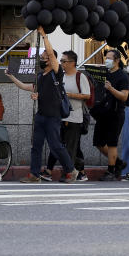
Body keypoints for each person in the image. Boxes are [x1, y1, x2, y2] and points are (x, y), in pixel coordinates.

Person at [21, 28, 78, 183]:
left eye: (44, 56)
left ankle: (71, 171)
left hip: (53, 116)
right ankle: (34, 174)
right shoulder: (40, 76)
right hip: (41, 115)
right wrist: (35, 94)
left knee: (56, 146)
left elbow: (51, 53)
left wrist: (44, 36)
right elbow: (34, 90)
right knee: (36, 146)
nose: (42, 57)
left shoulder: (56, 72)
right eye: (41, 56)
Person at [41, 51, 89, 181]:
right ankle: (51, 171)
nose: (61, 63)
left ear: (72, 63)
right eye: (60, 61)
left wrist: (68, 95)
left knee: (71, 147)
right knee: (56, 144)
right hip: (59, 116)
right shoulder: (60, 75)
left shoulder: (80, 77)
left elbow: (87, 95)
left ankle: (69, 173)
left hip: (74, 117)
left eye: (64, 61)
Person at [96, 49, 129, 180]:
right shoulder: (105, 73)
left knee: (112, 143)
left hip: (116, 112)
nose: (107, 61)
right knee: (98, 142)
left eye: (109, 58)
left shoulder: (122, 76)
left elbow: (124, 96)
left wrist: (111, 89)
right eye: (106, 58)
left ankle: (111, 170)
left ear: (116, 60)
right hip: (103, 112)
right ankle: (118, 162)